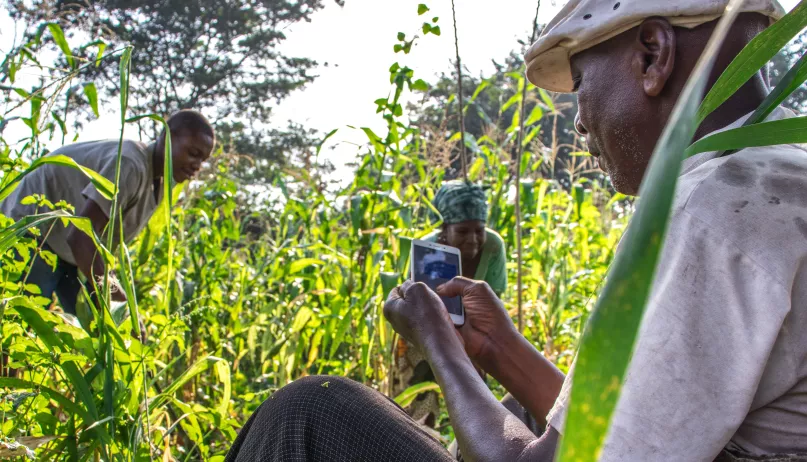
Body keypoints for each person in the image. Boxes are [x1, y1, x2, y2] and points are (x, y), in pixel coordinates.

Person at [225, 0, 807, 460]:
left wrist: (437, 342)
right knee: (527, 411)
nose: (578, 121)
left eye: (580, 84)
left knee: (310, 412)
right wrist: (496, 349)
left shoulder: (713, 213)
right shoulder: (779, 170)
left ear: (653, 56)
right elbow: (631, 429)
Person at [2, 110, 215, 316]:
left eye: (203, 160)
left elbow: (98, 248)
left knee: (96, 328)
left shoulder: (157, 184)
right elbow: (81, 237)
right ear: (167, 137)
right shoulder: (130, 164)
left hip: (67, 248)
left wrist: (119, 308)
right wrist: (122, 304)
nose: (197, 165)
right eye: (193, 153)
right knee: (22, 321)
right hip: (33, 228)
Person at [392, 180, 507, 429]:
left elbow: (493, 303)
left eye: (479, 230)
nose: (473, 240)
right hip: (422, 333)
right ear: (445, 229)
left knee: (478, 409)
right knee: (420, 412)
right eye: (463, 232)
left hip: (472, 331)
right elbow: (416, 307)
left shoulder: (493, 246)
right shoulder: (426, 250)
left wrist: (473, 348)